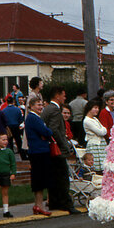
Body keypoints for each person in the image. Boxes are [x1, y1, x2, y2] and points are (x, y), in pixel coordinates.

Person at [41, 85, 79, 214]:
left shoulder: (47, 109)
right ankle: (66, 204)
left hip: (49, 149)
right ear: (57, 95)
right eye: (63, 95)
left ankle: (55, 202)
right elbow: (55, 129)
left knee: (54, 177)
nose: (65, 97)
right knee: (62, 177)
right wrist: (64, 144)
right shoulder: (55, 110)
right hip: (57, 149)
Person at [24, 96, 53, 216]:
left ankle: (38, 205)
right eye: (38, 105)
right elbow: (47, 132)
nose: (40, 107)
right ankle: (39, 205)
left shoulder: (35, 118)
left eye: (41, 105)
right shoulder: (33, 118)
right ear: (31, 106)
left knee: (39, 179)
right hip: (38, 152)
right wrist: (47, 132)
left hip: (39, 151)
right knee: (39, 180)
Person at [83, 99, 108, 172]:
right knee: (95, 165)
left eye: (98, 108)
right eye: (95, 108)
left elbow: (104, 129)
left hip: (101, 144)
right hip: (94, 144)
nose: (97, 110)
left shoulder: (95, 119)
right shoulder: (87, 120)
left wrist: (103, 130)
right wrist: (103, 130)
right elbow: (101, 132)